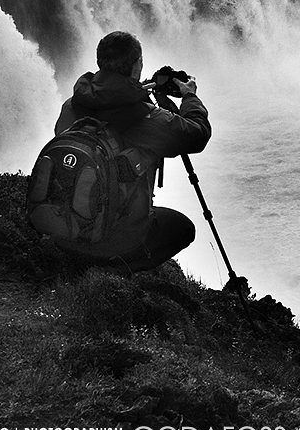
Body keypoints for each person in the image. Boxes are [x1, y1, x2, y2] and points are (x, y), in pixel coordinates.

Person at [52, 30, 211, 273]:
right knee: (183, 229)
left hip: (65, 228)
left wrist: (136, 92)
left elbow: (98, 108)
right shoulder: (149, 119)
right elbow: (197, 134)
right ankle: (115, 269)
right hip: (112, 238)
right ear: (137, 66)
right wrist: (189, 97)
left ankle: (83, 258)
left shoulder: (72, 105)